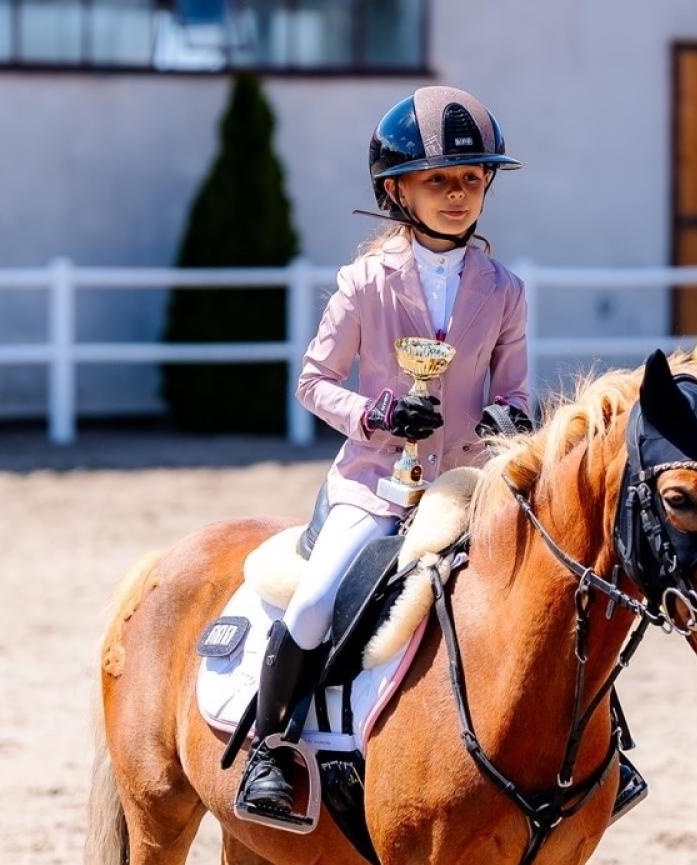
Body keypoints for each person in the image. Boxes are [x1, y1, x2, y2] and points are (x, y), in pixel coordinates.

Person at [235, 86, 648, 826]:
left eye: (470, 180)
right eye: (438, 181)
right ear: (398, 191)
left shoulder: (505, 289)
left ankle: (608, 744)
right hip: (375, 481)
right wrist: (376, 414)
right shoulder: (364, 283)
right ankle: (271, 749)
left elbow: (515, 391)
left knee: (559, 589)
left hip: (466, 482)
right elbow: (313, 382)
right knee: (316, 598)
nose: (458, 195)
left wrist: (506, 417)